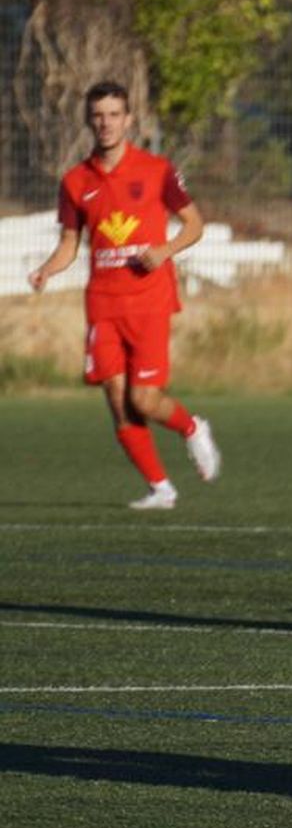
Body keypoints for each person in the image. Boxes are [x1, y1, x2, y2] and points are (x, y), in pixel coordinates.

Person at [28, 80, 220, 509]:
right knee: (117, 400)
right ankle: (161, 488)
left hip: (149, 301)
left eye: (115, 114)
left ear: (129, 119)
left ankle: (192, 428)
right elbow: (69, 244)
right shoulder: (76, 181)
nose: (106, 123)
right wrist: (45, 270)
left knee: (143, 398)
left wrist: (164, 250)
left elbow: (194, 225)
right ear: (88, 120)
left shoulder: (156, 170)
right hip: (102, 304)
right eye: (99, 115)